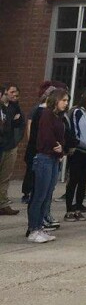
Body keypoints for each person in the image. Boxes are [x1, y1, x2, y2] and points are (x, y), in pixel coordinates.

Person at [27, 88, 69, 243]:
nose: (66, 103)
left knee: (47, 194)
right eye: (63, 100)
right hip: (44, 157)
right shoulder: (46, 114)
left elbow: (62, 136)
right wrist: (56, 146)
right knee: (39, 195)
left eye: (67, 100)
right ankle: (33, 229)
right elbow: (46, 136)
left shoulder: (59, 117)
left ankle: (40, 226)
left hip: (54, 158)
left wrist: (61, 148)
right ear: (56, 99)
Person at [62, 88, 86, 222]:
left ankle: (78, 207)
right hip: (78, 151)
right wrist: (79, 143)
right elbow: (74, 130)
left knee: (83, 181)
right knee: (74, 180)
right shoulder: (77, 112)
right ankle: (69, 209)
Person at [0, 84, 24, 215]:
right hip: (1, 145)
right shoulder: (2, 108)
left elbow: (20, 124)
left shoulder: (15, 107)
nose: (15, 94)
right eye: (12, 91)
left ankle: (3, 203)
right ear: (5, 93)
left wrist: (15, 142)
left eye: (17, 91)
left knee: (5, 177)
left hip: (10, 146)